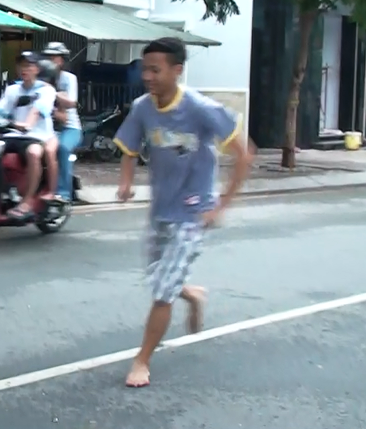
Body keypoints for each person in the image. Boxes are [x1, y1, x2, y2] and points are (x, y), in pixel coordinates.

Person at [112, 37, 254, 388]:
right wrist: (126, 181)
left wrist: (221, 205)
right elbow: (129, 147)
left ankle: (141, 360)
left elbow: (244, 153)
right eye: (144, 69)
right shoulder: (143, 107)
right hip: (161, 208)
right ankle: (192, 293)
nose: (148, 76)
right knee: (158, 276)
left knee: (161, 292)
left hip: (193, 212)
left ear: (177, 70)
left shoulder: (201, 108)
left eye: (155, 70)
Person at [0, 51, 58, 219]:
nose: (24, 69)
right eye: (21, 65)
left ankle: (27, 201)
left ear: (36, 69)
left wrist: (27, 124)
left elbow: (38, 110)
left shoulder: (46, 90)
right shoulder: (13, 89)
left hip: (37, 136)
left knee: (34, 153)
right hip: (13, 134)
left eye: (29, 65)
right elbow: (0, 111)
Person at [42, 42, 82, 201]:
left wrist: (50, 92)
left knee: (63, 148)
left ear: (62, 60)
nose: (50, 60)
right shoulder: (41, 77)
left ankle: (63, 193)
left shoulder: (69, 79)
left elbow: (71, 102)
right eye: (48, 57)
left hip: (69, 128)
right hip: (46, 127)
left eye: (54, 57)